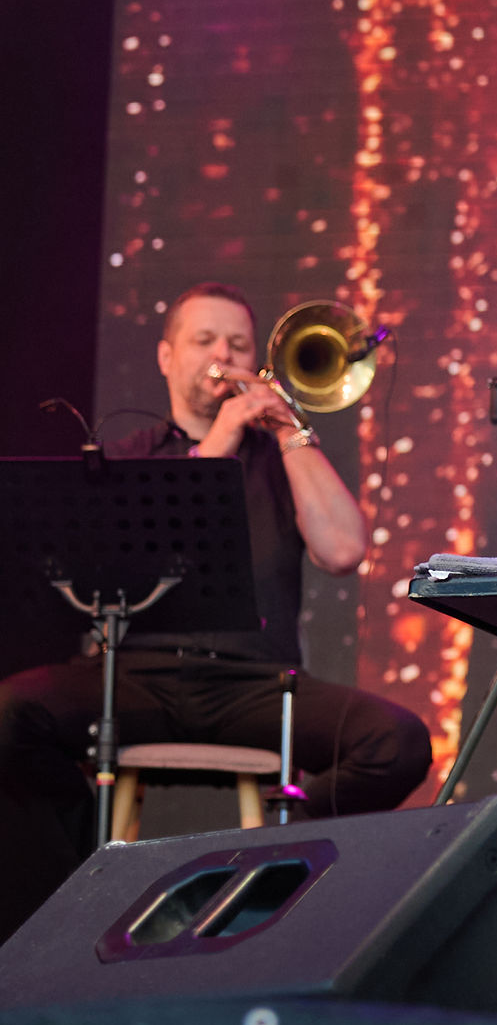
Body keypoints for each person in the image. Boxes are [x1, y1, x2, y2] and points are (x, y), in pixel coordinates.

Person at [0, 282, 430, 939]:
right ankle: (76, 895)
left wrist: (290, 430)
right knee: (9, 717)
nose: (223, 356)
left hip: (253, 683)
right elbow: (140, 564)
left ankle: (260, 871)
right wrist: (219, 444)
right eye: (204, 340)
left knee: (397, 742)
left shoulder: (283, 458)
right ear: (166, 357)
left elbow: (344, 550)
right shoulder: (126, 455)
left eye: (238, 344)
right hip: (135, 674)